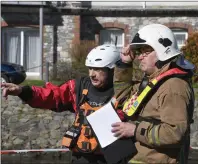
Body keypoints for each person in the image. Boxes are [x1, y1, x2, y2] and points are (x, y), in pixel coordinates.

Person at [1, 44, 133, 164]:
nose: (92, 74)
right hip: (80, 158)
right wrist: (22, 91)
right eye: (90, 68)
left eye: (98, 69)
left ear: (113, 70)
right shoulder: (79, 87)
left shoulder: (127, 92)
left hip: (111, 158)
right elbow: (52, 96)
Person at [111, 24, 195, 164]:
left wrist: (135, 130)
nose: (139, 57)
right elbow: (124, 101)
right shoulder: (151, 82)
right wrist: (125, 65)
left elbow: (174, 133)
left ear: (162, 51)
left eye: (146, 52)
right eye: (140, 52)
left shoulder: (173, 87)